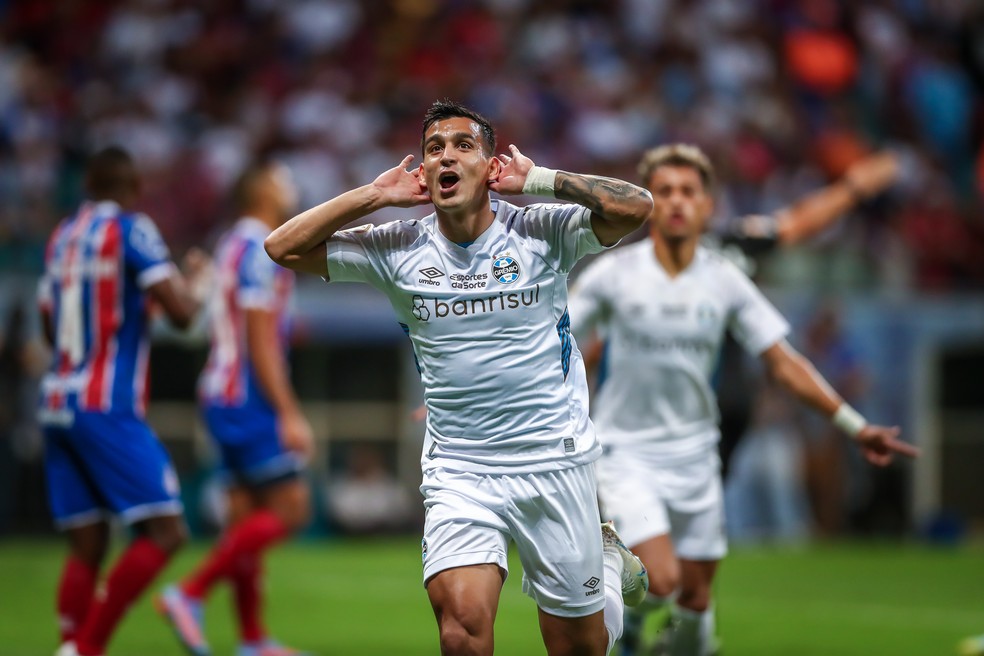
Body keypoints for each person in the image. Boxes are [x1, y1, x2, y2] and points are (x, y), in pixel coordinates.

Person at [264, 99, 653, 656]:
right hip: (460, 469)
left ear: (490, 168)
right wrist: (373, 195)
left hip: (554, 460)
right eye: (434, 148)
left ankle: (608, 565)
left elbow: (636, 206)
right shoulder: (398, 247)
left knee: (579, 648)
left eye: (463, 146)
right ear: (423, 172)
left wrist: (540, 180)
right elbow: (281, 247)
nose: (445, 156)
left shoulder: (541, 231)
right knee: (461, 632)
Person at [568, 144, 919, 656]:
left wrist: (854, 424)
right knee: (660, 578)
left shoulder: (725, 272)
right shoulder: (613, 274)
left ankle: (656, 631)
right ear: (647, 204)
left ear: (709, 204)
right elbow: (553, 336)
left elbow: (783, 360)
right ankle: (632, 621)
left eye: (688, 191)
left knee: (696, 605)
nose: (676, 201)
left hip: (698, 453)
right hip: (626, 452)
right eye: (664, 192)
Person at [38, 146, 205, 656]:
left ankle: (70, 643)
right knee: (167, 531)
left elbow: (49, 324)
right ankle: (87, 648)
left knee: (87, 544)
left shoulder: (62, 236)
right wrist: (197, 285)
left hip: (56, 400)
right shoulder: (132, 229)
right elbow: (182, 315)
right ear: (133, 189)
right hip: (105, 403)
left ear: (88, 186)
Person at [156, 160, 315, 656]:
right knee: (292, 508)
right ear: (260, 192)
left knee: (244, 520)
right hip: (248, 395)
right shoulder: (263, 248)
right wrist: (288, 411)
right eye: (280, 179)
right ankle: (190, 592)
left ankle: (252, 639)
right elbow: (258, 339)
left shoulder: (230, 243)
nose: (290, 186)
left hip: (219, 391)